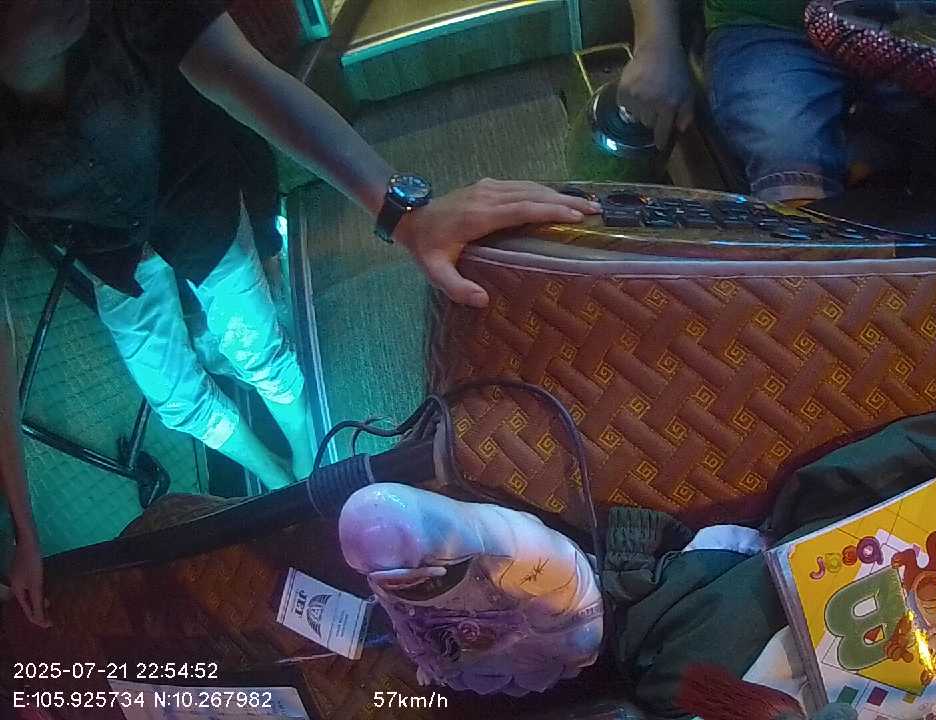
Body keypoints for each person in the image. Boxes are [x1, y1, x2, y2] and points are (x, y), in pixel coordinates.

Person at [0, 0, 597, 627]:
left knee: (258, 350)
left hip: (195, 200)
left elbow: (238, 70)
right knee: (176, 401)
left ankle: (308, 457)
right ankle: (278, 479)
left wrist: (404, 213)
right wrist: (23, 529)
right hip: (106, 252)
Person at [619, 0, 936, 204]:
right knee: (786, 140)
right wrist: (656, 46)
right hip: (772, 28)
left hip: (903, 22)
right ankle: (809, 292)